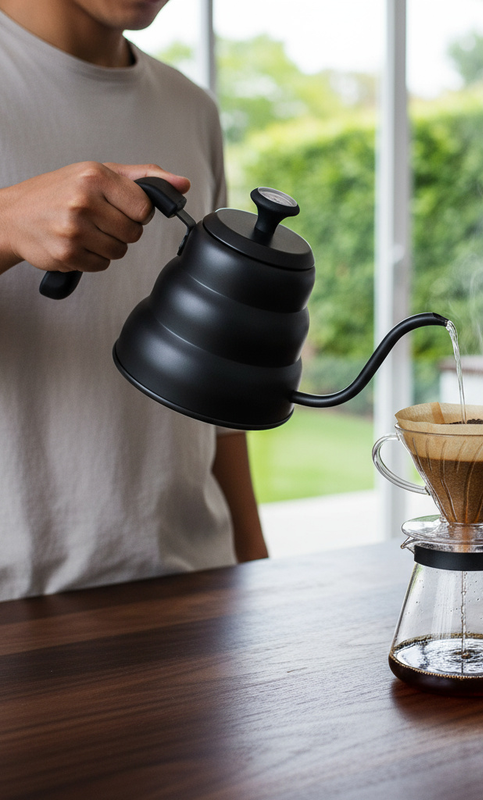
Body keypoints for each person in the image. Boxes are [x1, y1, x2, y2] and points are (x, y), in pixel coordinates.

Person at [0, 0, 267, 602]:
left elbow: (216, 391)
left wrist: (252, 569)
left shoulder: (190, 108)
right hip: (16, 607)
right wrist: (7, 223)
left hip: (195, 585)